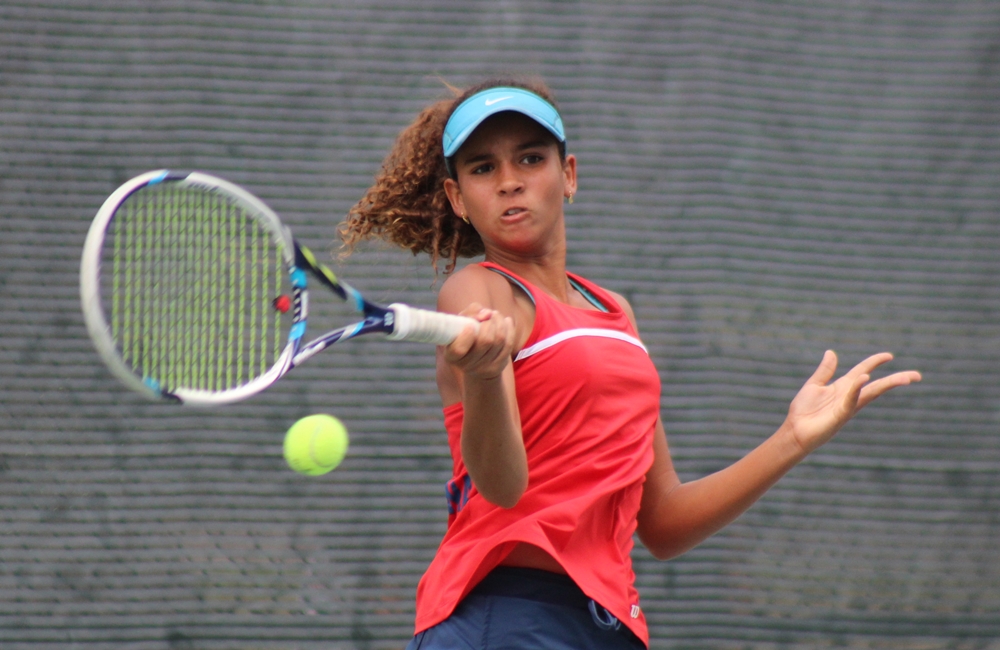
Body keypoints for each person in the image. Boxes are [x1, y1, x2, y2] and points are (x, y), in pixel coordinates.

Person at [338, 77, 921, 649]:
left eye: (531, 159)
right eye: (483, 168)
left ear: (568, 176)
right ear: (457, 198)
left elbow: (663, 523)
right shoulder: (475, 293)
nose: (510, 182)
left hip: (609, 622)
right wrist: (488, 374)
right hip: (503, 617)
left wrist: (791, 439)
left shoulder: (615, 312)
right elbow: (505, 487)